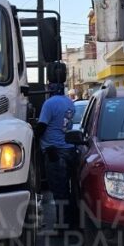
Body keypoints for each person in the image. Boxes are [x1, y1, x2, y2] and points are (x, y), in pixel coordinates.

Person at [35, 82, 76, 228]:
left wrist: (32, 135)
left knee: (59, 191)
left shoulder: (49, 104)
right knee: (67, 189)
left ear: (51, 89)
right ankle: (70, 221)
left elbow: (42, 126)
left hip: (54, 151)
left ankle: (62, 225)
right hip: (69, 149)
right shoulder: (70, 103)